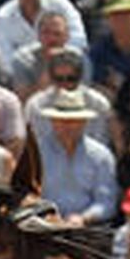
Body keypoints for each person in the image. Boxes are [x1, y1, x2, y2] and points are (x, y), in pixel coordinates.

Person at [39, 90, 117, 227]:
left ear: (84, 122)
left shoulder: (100, 155)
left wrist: (84, 217)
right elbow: (27, 195)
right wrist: (46, 216)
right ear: (52, 121)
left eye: (74, 121)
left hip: (88, 229)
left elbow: (107, 202)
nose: (67, 126)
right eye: (62, 121)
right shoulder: (37, 153)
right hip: (43, 227)